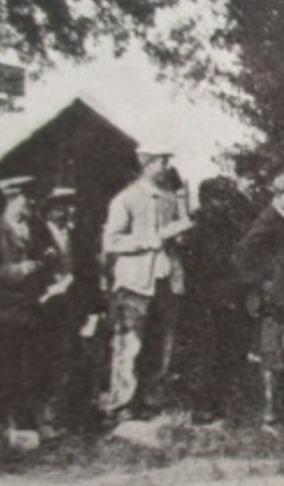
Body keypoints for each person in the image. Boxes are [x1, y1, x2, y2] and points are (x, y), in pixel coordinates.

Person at [102, 149, 191, 417]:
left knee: (161, 344)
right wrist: (150, 239)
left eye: (167, 161)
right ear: (147, 163)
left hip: (165, 281)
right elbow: (111, 242)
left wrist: (180, 233)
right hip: (135, 283)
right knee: (130, 346)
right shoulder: (126, 199)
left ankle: (152, 402)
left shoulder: (167, 199)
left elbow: (177, 237)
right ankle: (123, 406)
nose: (166, 166)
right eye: (162, 161)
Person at [0, 176, 54, 433]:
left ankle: (32, 420)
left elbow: (45, 258)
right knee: (9, 368)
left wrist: (44, 263)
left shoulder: (35, 229)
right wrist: (18, 270)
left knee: (34, 366)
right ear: (11, 200)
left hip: (33, 310)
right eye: (26, 200)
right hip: (7, 312)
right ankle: (12, 423)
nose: (31, 205)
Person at [177, 176, 255, 425]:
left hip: (231, 298)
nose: (225, 204)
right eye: (220, 199)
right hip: (205, 302)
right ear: (208, 201)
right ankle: (202, 406)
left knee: (231, 353)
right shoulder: (194, 229)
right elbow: (193, 268)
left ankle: (223, 405)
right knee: (205, 354)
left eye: (226, 199)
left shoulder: (231, 227)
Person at [233, 171, 284, 427]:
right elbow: (243, 254)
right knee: (273, 353)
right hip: (271, 297)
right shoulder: (268, 219)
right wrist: (263, 282)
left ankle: (281, 412)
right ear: (278, 195)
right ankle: (270, 415)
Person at [37, 186, 105, 434]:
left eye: (68, 206)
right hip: (48, 309)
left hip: (77, 308)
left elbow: (90, 275)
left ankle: (77, 415)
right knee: (53, 360)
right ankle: (51, 417)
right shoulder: (38, 236)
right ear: (48, 211)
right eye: (59, 207)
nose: (65, 212)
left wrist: (96, 309)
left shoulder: (78, 237)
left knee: (79, 359)